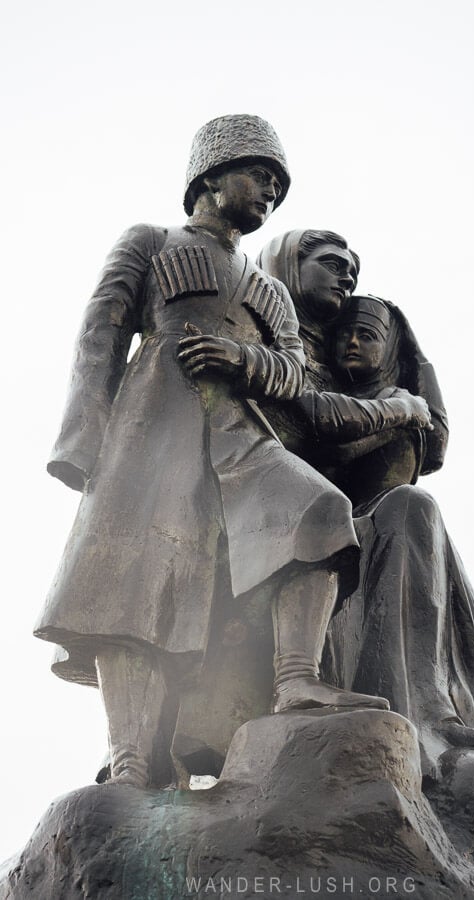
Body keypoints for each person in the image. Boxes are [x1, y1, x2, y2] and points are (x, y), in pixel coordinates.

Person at [35, 117, 389, 790]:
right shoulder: (151, 241)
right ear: (210, 177)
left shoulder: (270, 289)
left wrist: (239, 357)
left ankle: (297, 681)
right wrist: (83, 445)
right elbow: (100, 336)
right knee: (135, 588)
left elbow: (292, 373)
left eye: (278, 188)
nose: (269, 196)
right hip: (152, 427)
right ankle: (132, 755)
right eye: (259, 178)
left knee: (318, 509)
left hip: (237, 431)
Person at [257, 232, 474, 777]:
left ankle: (426, 708)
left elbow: (432, 441)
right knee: (405, 512)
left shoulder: (364, 382)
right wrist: (400, 409)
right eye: (333, 266)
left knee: (411, 510)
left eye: (365, 335)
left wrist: (408, 399)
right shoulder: (270, 339)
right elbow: (313, 426)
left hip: (350, 519)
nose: (349, 344)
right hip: (272, 514)